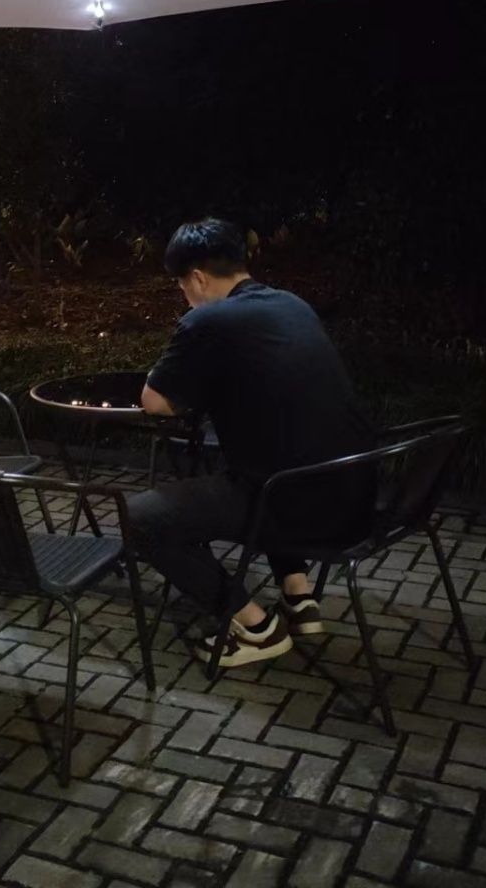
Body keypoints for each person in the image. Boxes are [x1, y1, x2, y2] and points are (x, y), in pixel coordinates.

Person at [131, 218, 375, 668]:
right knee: (269, 457)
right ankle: (299, 597)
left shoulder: (206, 319)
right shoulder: (291, 304)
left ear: (197, 278)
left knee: (142, 517)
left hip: (298, 507)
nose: (185, 296)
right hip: (357, 495)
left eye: (182, 286)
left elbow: (155, 401)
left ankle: (257, 628)